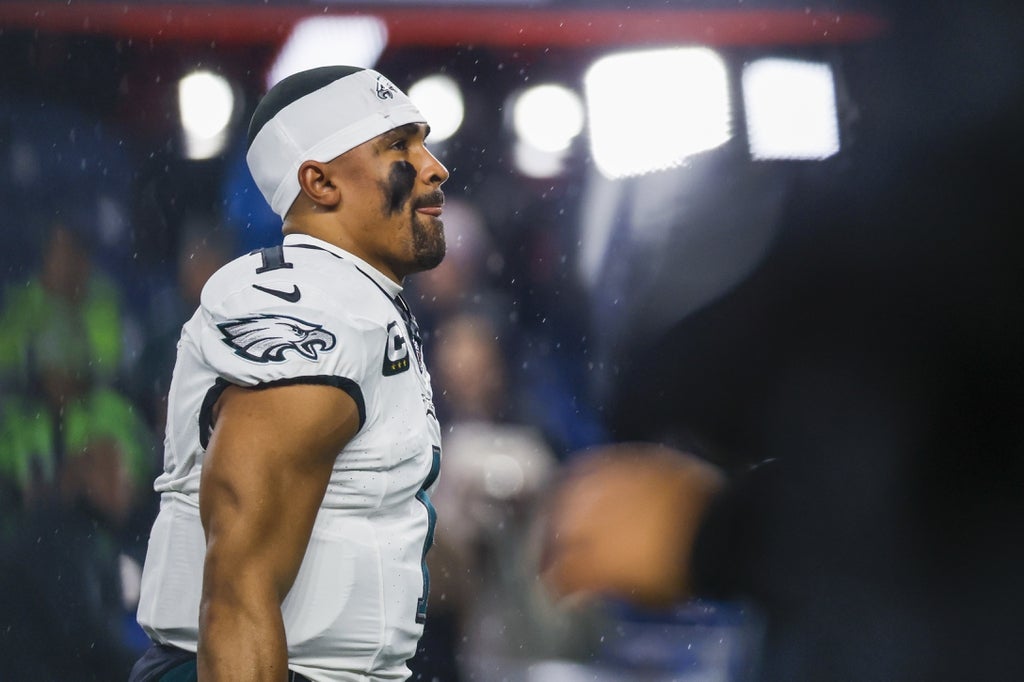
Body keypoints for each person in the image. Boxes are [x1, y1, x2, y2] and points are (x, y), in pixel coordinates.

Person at [130, 65, 450, 681]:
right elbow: (238, 583)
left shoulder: (357, 298)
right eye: (399, 147)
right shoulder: (309, 302)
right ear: (319, 181)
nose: (435, 167)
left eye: (424, 141)